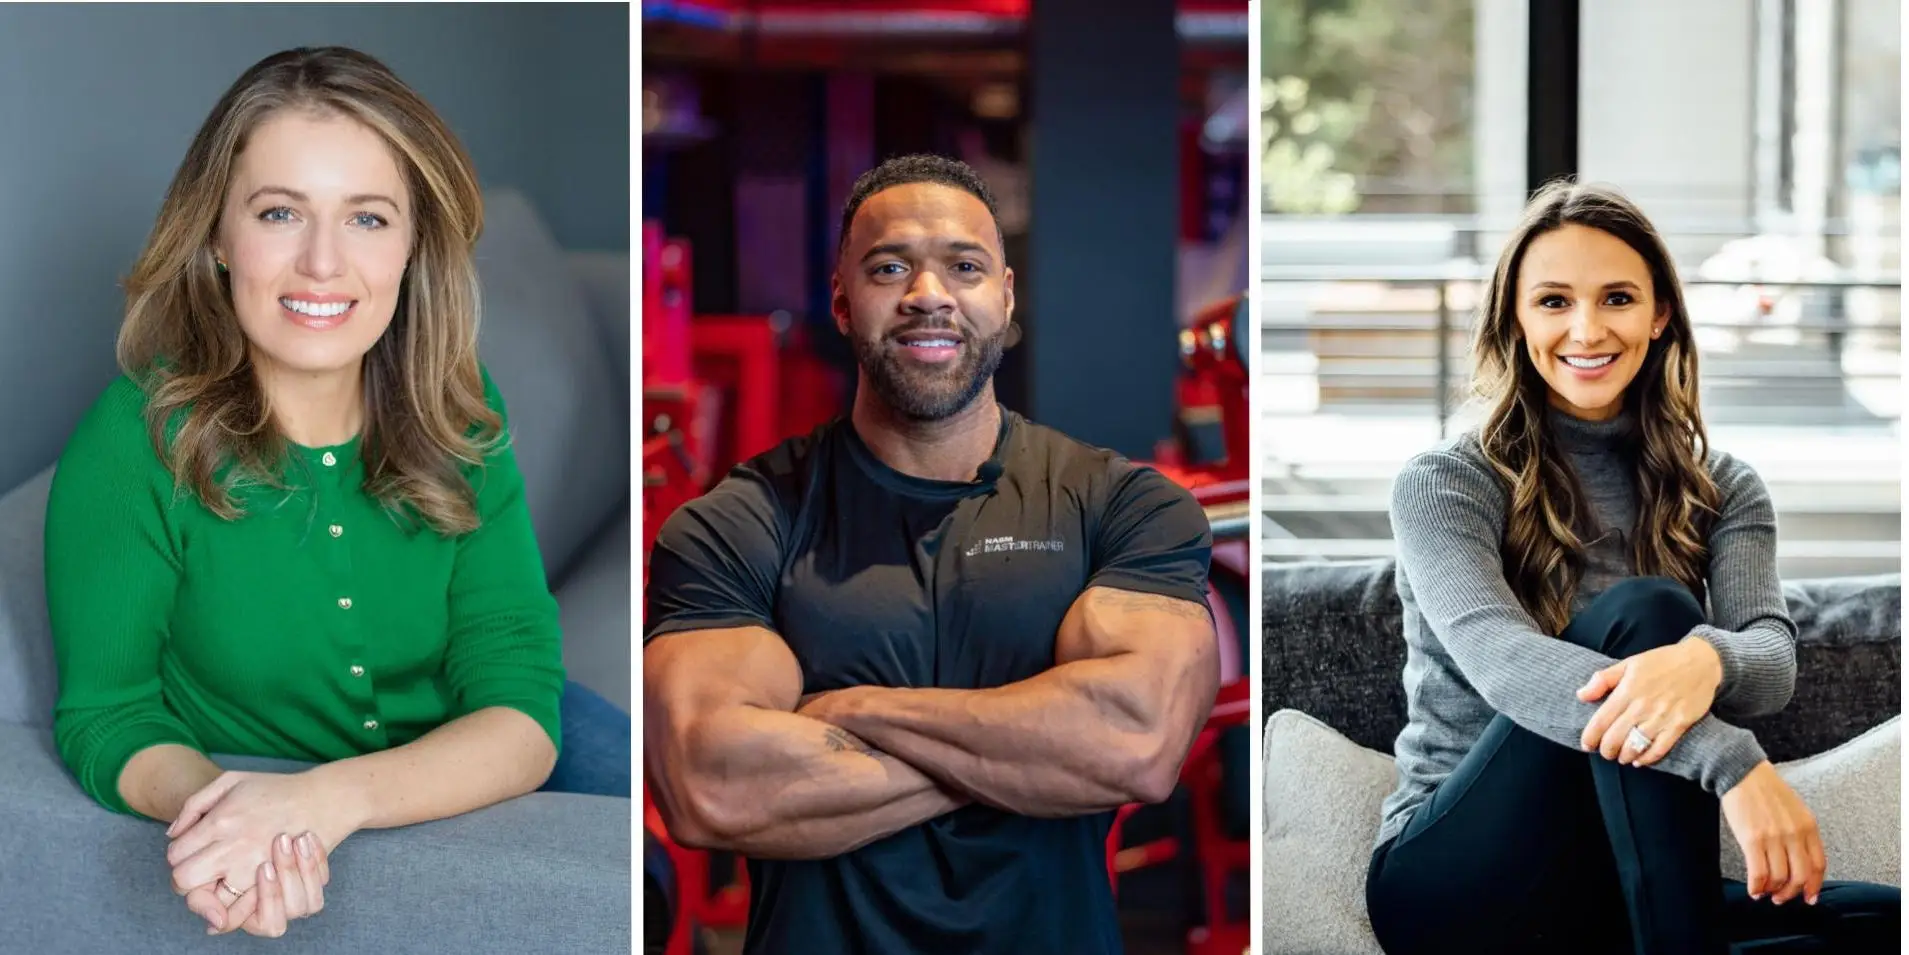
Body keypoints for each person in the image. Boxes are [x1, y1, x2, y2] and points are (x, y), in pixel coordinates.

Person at [45, 46, 629, 940]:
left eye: (367, 218)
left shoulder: (457, 408)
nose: (323, 263)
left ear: (411, 244)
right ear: (216, 235)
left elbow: (516, 698)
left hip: (480, 747)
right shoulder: (133, 443)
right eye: (280, 212)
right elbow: (106, 714)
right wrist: (232, 822)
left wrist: (326, 801)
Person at [643, 154, 1220, 954]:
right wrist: (1034, 757)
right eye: (889, 267)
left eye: (963, 266)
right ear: (843, 301)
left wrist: (851, 709)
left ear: (1005, 297)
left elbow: (1133, 744)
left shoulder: (1121, 506)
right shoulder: (739, 524)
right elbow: (711, 783)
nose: (927, 294)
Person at [1364, 179, 1900, 954]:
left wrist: (1705, 659)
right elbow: (1503, 663)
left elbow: (1773, 659)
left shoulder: (1722, 485)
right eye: (1552, 301)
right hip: (1456, 879)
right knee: (1648, 613)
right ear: (1514, 318)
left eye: (1615, 298)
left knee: (1881, 921)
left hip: (1616, 876)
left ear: (1658, 316)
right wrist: (1728, 762)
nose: (1585, 328)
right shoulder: (1448, 479)